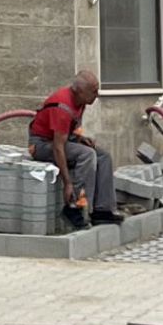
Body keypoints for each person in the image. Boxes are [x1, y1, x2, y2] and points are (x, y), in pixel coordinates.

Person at [30, 76, 119, 225]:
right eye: (93, 91)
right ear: (79, 91)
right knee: (87, 154)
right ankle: (73, 207)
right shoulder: (62, 106)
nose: (97, 95)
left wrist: (80, 138)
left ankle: (102, 210)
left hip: (60, 140)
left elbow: (71, 128)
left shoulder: (81, 102)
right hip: (41, 145)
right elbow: (58, 147)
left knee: (103, 156)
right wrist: (68, 183)